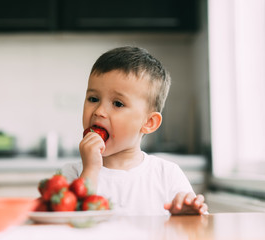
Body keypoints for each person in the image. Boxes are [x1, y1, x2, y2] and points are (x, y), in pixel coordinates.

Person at [62, 46, 208, 216]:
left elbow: (197, 227)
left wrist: (187, 216)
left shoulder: (167, 174)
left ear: (149, 122)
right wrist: (91, 170)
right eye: (93, 99)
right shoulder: (71, 173)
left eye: (117, 104)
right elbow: (67, 224)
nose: (99, 111)